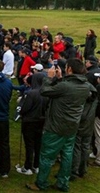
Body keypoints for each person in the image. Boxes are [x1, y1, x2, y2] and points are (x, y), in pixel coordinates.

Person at [27, 58, 92, 191]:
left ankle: (41, 183)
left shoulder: (65, 86)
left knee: (46, 155)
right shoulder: (85, 86)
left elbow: (45, 91)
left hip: (56, 126)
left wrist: (49, 78)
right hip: (72, 125)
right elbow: (66, 90)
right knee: (67, 155)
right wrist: (61, 78)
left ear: (69, 69)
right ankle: (63, 183)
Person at [16, 73, 47, 175]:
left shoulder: (31, 93)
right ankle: (36, 165)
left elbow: (25, 108)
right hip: (41, 121)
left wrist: (21, 112)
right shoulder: (46, 93)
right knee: (38, 144)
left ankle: (27, 167)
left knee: (29, 144)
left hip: (30, 121)